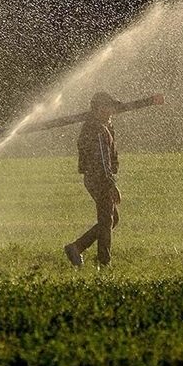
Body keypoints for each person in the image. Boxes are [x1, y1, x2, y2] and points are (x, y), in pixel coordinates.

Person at [64, 92, 122, 269]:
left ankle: (76, 247)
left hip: (94, 178)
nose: (110, 111)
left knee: (111, 220)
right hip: (99, 179)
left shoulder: (97, 126)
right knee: (106, 222)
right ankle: (104, 262)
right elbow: (103, 160)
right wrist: (111, 184)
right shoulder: (98, 130)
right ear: (97, 109)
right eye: (106, 107)